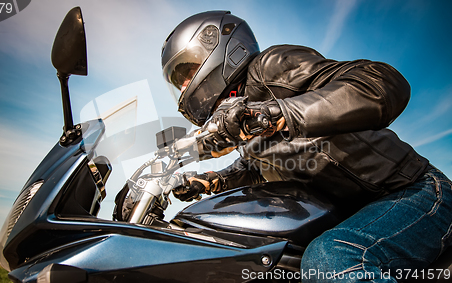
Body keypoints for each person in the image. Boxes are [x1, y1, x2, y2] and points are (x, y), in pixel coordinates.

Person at [161, 11, 452, 282]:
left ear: (218, 49)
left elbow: (382, 83)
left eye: (187, 72)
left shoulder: (270, 68)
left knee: (332, 257)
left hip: (417, 192)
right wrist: (211, 181)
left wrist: (275, 114)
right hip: (358, 214)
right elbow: (259, 168)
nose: (185, 87)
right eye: (178, 82)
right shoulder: (241, 120)